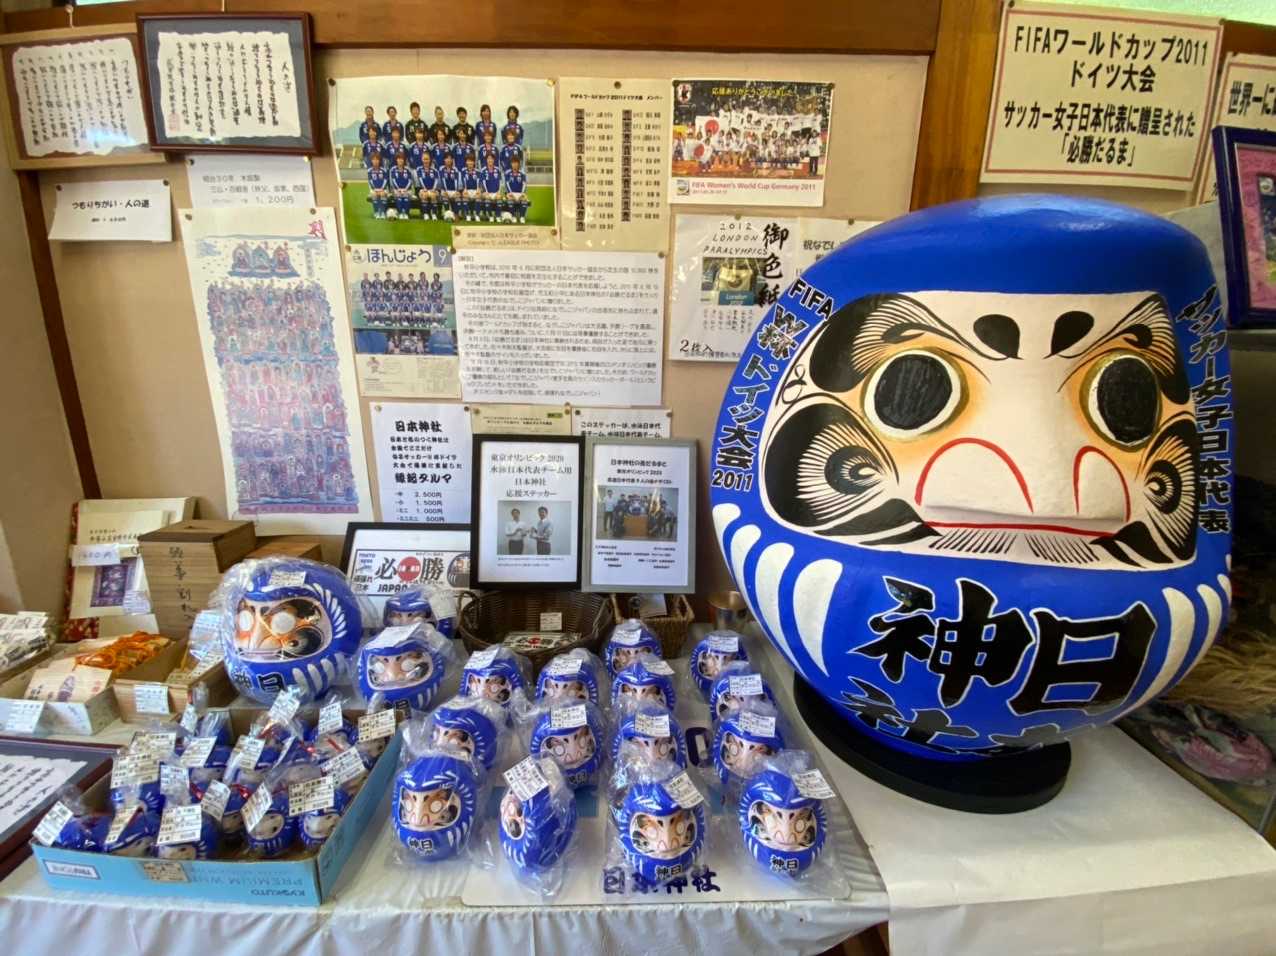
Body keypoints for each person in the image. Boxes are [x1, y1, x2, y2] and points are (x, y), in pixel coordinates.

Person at [388, 152, 415, 220]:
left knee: (406, 195)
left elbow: (410, 181)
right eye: (399, 159)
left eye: (402, 159)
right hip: (396, 190)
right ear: (396, 160)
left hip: (407, 189)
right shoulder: (393, 169)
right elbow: (392, 182)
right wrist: (398, 189)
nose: (400, 160)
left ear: (404, 160)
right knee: (398, 195)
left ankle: (406, 213)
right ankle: (400, 213)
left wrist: (405, 189)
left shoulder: (408, 169)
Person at [415, 152, 440, 221]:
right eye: (424, 159)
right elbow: (420, 180)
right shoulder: (419, 169)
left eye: (427, 159)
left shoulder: (434, 170)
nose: (426, 161)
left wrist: (433, 189)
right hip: (423, 189)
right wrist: (424, 189)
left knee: (433, 195)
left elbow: (436, 180)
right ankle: (425, 214)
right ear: (422, 159)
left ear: (430, 160)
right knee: (424, 194)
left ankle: (434, 214)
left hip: (433, 189)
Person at [504, 155, 528, 224]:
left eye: (516, 163)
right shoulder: (507, 173)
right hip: (511, 193)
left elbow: (524, 184)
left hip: (520, 193)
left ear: (518, 164)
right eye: (513, 163)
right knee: (510, 198)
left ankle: (522, 217)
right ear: (511, 164)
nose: (514, 164)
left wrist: (522, 194)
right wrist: (511, 193)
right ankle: (513, 216)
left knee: (525, 199)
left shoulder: (522, 173)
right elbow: (507, 184)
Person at [438, 152, 462, 221]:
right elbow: (439, 182)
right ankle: (447, 214)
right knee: (444, 196)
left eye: (450, 158)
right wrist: (443, 191)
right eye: (447, 158)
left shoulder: (456, 170)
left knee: (457, 197)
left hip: (454, 191)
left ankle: (456, 214)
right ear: (444, 160)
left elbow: (459, 182)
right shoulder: (441, 169)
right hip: (445, 191)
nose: (448, 160)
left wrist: (457, 191)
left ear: (452, 160)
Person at [366, 150, 389, 219]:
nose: (375, 161)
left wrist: (381, 189)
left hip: (383, 189)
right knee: (374, 194)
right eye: (374, 160)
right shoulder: (369, 171)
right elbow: (370, 181)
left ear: (379, 161)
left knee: (383, 194)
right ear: (371, 161)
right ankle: (377, 212)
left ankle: (383, 212)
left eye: (377, 160)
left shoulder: (384, 170)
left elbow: (385, 181)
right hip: (374, 189)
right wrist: (375, 190)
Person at [460, 154, 482, 222]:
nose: (470, 163)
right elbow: (461, 183)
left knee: (478, 196)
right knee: (465, 195)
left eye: (471, 161)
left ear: (474, 162)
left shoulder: (478, 172)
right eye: (468, 161)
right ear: (466, 162)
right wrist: (464, 190)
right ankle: (468, 215)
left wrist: (479, 190)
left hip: (475, 190)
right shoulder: (463, 172)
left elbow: (480, 183)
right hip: (467, 190)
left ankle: (477, 215)